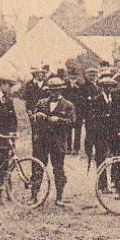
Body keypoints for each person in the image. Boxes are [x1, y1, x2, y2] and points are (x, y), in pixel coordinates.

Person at [31, 77, 77, 205]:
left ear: (61, 90)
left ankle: (59, 197)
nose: (54, 93)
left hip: (58, 142)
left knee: (58, 170)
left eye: (57, 90)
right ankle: (33, 196)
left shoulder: (68, 105)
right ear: (48, 90)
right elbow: (33, 118)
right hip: (42, 141)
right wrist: (36, 116)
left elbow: (73, 122)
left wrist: (59, 120)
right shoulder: (41, 103)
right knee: (37, 167)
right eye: (52, 90)